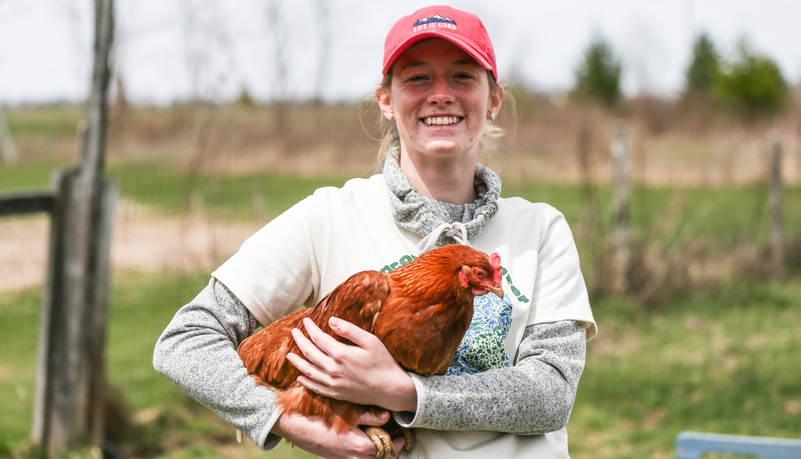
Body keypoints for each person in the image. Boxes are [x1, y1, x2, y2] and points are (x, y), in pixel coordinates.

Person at [153, 5, 597, 458]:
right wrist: (281, 418)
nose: (441, 95)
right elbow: (185, 341)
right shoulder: (330, 214)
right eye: (417, 78)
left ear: (493, 99)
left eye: (462, 77)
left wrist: (404, 393)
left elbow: (551, 393)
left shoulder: (541, 229)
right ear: (386, 99)